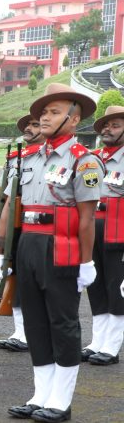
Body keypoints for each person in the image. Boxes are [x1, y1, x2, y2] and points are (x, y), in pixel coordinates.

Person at [0, 83, 102, 423]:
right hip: (29, 242)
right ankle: (41, 392)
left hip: (62, 246)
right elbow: (15, 207)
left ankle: (61, 398)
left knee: (62, 322)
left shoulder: (83, 162)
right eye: (43, 111)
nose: (44, 117)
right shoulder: (29, 158)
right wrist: (3, 251)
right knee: (35, 321)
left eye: (54, 112)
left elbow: (87, 218)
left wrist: (86, 261)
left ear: (74, 120)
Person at [0, 114, 44, 352]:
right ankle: (20, 331)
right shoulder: (15, 158)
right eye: (27, 125)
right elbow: (1, 194)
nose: (29, 129)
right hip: (12, 222)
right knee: (14, 276)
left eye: (35, 125)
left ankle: (33, 332)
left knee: (35, 280)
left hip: (36, 226)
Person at [83, 105, 124, 366]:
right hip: (93, 230)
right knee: (96, 288)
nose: (108, 129)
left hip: (118, 231)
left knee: (116, 290)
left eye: (115, 125)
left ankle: (112, 346)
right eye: (105, 126)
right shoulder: (93, 158)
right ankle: (97, 341)